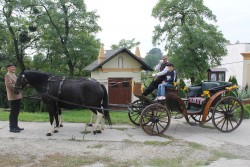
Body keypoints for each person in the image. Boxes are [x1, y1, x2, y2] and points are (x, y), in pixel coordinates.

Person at [5, 63, 23, 133]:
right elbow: (9, 85)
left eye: (14, 67)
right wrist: (17, 88)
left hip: (17, 95)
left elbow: (17, 83)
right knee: (13, 112)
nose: (14, 68)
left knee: (16, 112)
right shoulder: (7, 75)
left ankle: (16, 126)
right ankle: (12, 127)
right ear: (8, 68)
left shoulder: (14, 75)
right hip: (13, 96)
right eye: (12, 67)